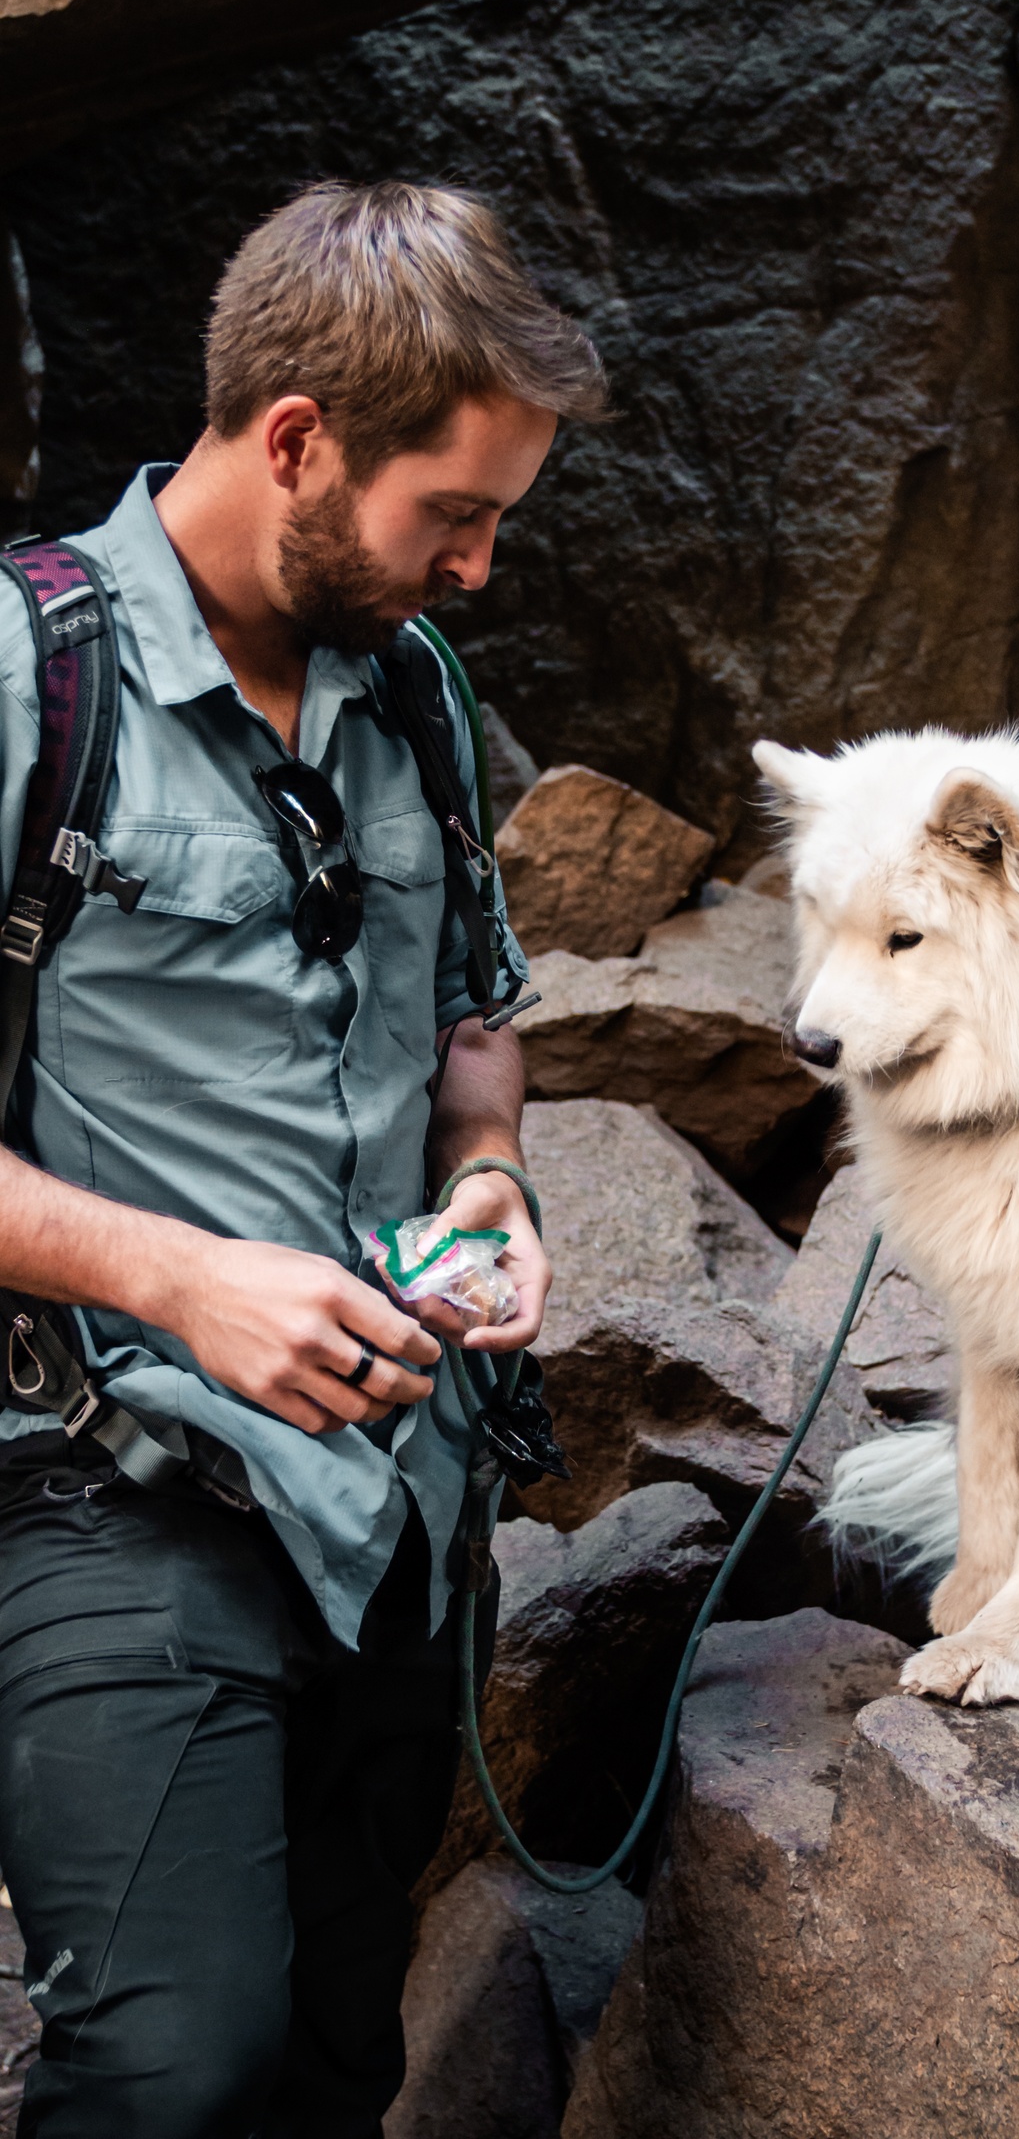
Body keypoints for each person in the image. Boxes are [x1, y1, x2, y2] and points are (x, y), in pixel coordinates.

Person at [0, 180, 609, 2138]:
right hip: (106, 1475)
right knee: (180, 2066)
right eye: (455, 511)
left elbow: (472, 1013)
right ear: (294, 443)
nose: (483, 566)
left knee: (341, 2054)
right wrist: (180, 1275)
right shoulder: (32, 681)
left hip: (408, 1509)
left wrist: (495, 1175)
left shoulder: (418, 687)